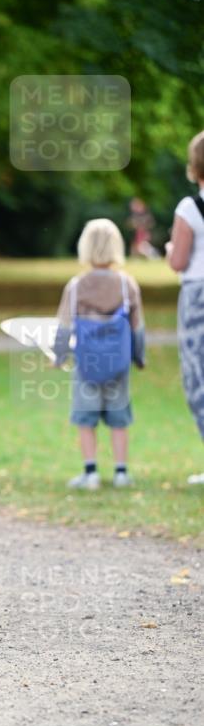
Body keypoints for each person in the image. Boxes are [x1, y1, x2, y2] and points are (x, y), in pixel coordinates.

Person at [54, 218, 145, 490]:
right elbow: (137, 327)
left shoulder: (76, 286)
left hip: (86, 364)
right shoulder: (126, 285)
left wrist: (59, 357)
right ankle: (121, 472)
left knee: (86, 418)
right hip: (118, 364)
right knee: (119, 418)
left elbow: (63, 327)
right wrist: (139, 357)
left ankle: (90, 472)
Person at [166, 130, 204, 484]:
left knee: (199, 379)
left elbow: (178, 261)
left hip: (198, 297)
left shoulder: (190, 209)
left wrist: (167, 251)